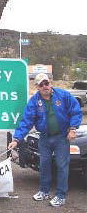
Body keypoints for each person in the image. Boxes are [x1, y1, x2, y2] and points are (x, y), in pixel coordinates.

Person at [8, 73, 82, 207]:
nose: (45, 86)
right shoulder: (34, 101)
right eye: (41, 85)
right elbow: (27, 121)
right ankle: (44, 191)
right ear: (37, 87)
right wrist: (17, 139)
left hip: (61, 137)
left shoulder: (63, 95)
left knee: (62, 166)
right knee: (44, 165)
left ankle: (61, 195)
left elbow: (75, 111)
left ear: (50, 83)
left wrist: (72, 129)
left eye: (46, 83)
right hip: (45, 138)